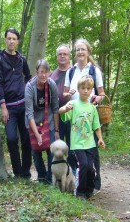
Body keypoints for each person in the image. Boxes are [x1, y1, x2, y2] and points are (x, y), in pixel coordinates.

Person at [63, 38, 106, 192]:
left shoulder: (94, 70)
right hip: (73, 116)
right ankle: (78, 181)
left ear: (88, 52)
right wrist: (69, 94)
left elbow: (102, 94)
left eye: (83, 49)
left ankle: (95, 182)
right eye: (77, 50)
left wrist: (97, 98)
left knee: (92, 152)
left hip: (89, 115)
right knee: (75, 151)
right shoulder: (71, 71)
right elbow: (65, 93)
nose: (80, 52)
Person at [0, 28, 32, 179]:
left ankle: (26, 172)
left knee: (27, 139)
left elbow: (29, 77)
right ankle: (17, 172)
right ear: (5, 40)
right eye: (9, 38)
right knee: (11, 139)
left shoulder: (21, 59)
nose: (11, 41)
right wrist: (2, 106)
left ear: (17, 41)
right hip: (8, 107)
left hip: (24, 104)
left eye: (14, 39)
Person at [59, 75, 106, 199]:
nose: (85, 90)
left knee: (91, 168)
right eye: (83, 88)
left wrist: (100, 139)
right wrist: (65, 108)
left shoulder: (92, 108)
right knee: (83, 165)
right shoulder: (73, 104)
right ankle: (80, 192)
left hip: (90, 144)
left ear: (91, 91)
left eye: (88, 88)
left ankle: (89, 189)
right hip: (77, 144)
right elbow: (60, 112)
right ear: (78, 89)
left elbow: (96, 126)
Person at [25, 59, 60, 183]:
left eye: (46, 72)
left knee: (51, 150)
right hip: (33, 121)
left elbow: (55, 108)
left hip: (48, 120)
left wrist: (56, 130)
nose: (43, 75)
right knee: (36, 151)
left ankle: (50, 179)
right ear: (36, 72)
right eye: (41, 72)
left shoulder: (52, 85)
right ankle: (41, 177)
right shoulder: (30, 87)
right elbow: (29, 114)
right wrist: (37, 134)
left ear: (49, 73)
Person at [50, 44, 77, 174]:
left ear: (69, 56)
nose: (62, 56)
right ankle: (59, 176)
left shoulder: (74, 72)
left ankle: (73, 175)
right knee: (59, 147)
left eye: (65, 54)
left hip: (73, 115)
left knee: (72, 147)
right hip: (57, 116)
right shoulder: (52, 76)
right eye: (60, 54)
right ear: (57, 57)